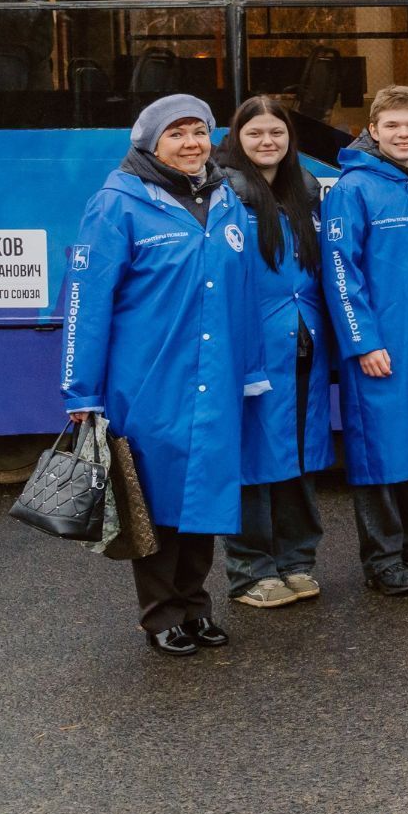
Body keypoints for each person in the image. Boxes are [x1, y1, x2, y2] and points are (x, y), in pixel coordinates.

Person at [62, 94, 266, 656]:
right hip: (148, 382)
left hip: (217, 378)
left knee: (205, 495)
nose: (192, 143)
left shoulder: (227, 200)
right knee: (152, 501)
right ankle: (161, 615)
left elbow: (244, 293)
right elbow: (89, 298)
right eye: (176, 133)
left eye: (199, 132)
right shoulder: (117, 204)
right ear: (150, 142)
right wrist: (83, 390)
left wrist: (251, 371)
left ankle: (196, 606)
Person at [323, 86, 408, 596]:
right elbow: (341, 270)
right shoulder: (352, 189)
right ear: (375, 130)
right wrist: (362, 341)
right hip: (381, 344)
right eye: (393, 126)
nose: (404, 134)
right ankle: (382, 558)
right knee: (380, 453)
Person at [218, 97, 332, 610]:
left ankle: (297, 560)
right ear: (237, 139)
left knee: (301, 456)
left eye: (278, 133)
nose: (268, 142)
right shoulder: (223, 195)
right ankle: (251, 571)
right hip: (253, 348)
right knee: (253, 461)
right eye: (256, 133)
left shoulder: (305, 191)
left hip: (303, 343)